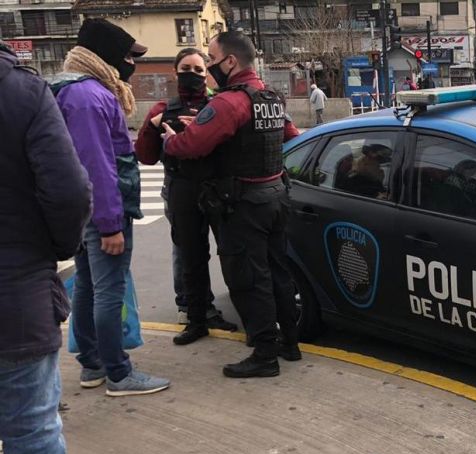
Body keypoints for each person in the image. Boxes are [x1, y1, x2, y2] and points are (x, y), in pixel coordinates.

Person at [1, 39, 95, 454]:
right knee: (31, 429)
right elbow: (68, 193)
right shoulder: (21, 92)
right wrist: (56, 250)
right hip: (12, 295)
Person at [161, 31, 301, 378]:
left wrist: (171, 139)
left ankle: (265, 353)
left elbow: (191, 146)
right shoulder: (270, 97)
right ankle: (290, 343)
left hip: (245, 205)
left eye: (210, 59)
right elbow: (292, 136)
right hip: (276, 195)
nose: (208, 67)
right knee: (278, 272)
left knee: (249, 279)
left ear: (230, 62)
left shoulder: (228, 102)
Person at [51, 18, 172, 395]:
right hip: (102, 212)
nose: (130, 63)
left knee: (87, 285)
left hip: (83, 211)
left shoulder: (73, 90)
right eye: (126, 55)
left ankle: (93, 365)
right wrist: (110, 225)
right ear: (104, 54)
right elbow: (98, 167)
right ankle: (118, 373)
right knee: (109, 290)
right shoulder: (89, 97)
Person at [135, 47, 237, 346]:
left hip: (216, 190)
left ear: (207, 73)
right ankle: (196, 318)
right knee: (191, 258)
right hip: (181, 189)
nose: (192, 75)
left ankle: (230, 310)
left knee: (229, 253)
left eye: (198, 70)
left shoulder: (218, 106)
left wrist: (201, 132)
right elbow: (145, 156)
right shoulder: (162, 109)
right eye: (186, 69)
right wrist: (154, 128)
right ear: (175, 72)